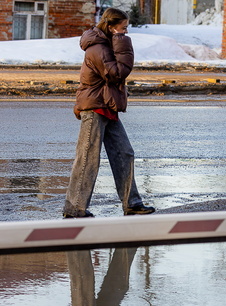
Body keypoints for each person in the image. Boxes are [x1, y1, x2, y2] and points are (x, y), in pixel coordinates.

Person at [63, 7, 155, 218]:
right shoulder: (97, 48)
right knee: (87, 158)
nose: (125, 32)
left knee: (124, 153)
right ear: (111, 27)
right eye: (123, 29)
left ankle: (132, 204)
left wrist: (118, 40)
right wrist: (122, 42)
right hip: (95, 108)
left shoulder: (106, 44)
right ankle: (75, 208)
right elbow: (117, 73)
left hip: (107, 106)